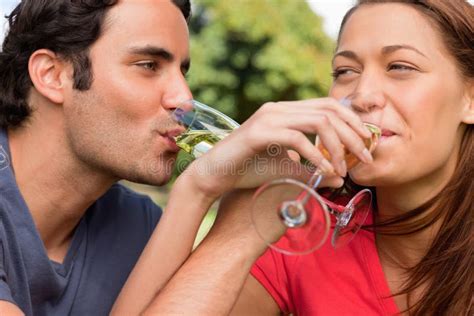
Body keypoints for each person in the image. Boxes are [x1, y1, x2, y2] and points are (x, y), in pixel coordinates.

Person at [0, 0, 372, 315]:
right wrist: (203, 196)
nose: (183, 97)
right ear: (51, 75)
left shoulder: (138, 225)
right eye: (148, 65)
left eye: (182, 71)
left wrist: (199, 192)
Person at [116, 0, 473, 315]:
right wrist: (199, 186)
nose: (363, 94)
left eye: (400, 67)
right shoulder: (302, 237)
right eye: (346, 72)